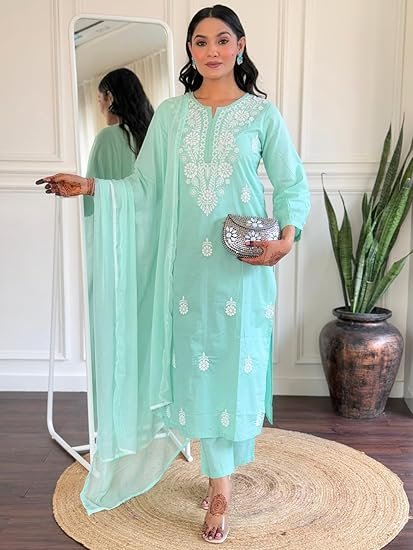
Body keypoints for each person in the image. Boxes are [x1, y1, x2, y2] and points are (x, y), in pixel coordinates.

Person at [38, 4, 310, 544]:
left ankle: (221, 487)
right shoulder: (170, 115)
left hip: (242, 268)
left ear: (240, 46)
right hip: (185, 273)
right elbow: (143, 188)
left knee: (232, 368)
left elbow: (292, 185)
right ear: (190, 50)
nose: (212, 51)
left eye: (222, 40)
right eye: (201, 41)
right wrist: (90, 186)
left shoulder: (261, 115)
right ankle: (216, 476)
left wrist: (286, 238)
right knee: (196, 371)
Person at [83, 68, 154, 429]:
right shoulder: (154, 139)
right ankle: (149, 416)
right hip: (152, 253)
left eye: (100, 99)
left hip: (115, 251)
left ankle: (114, 419)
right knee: (147, 333)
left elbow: (90, 203)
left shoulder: (107, 139)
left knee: (112, 330)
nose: (99, 107)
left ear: (110, 98)